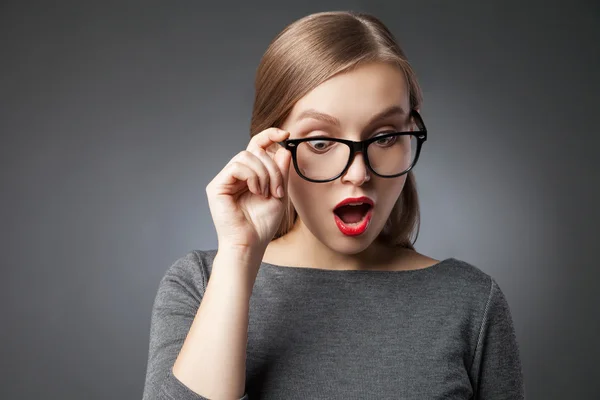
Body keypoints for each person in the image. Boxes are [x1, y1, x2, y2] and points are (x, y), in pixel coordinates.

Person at [142, 10, 525, 400]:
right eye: (321, 142)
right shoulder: (201, 283)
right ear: (272, 148)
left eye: (386, 136)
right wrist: (239, 256)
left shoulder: (471, 301)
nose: (358, 174)